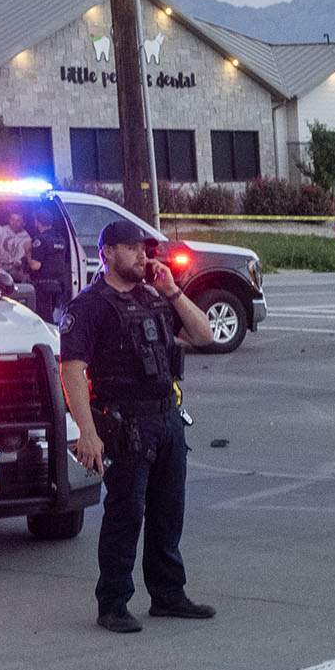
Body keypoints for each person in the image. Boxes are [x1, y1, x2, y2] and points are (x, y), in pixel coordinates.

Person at [59, 220, 217, 634]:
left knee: (169, 512)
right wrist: (87, 432)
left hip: (166, 419)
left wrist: (173, 291)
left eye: (144, 248)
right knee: (125, 515)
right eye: (131, 248)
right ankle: (112, 603)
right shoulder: (89, 306)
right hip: (125, 423)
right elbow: (72, 369)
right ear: (107, 252)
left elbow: (204, 335)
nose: (142, 256)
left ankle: (168, 594)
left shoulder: (155, 297)